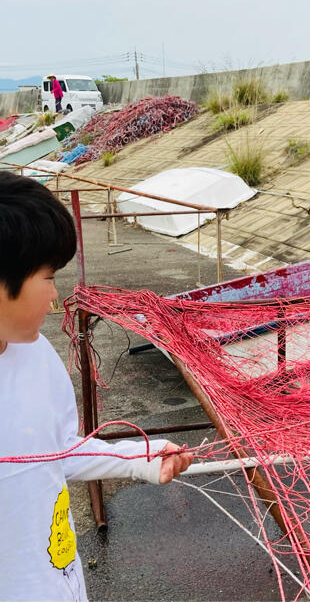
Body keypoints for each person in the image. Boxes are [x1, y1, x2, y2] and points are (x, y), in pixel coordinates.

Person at [0, 170, 193, 601]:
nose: (55, 297)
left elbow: (60, 449)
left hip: (59, 583)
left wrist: (139, 458)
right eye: (48, 277)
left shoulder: (37, 355)